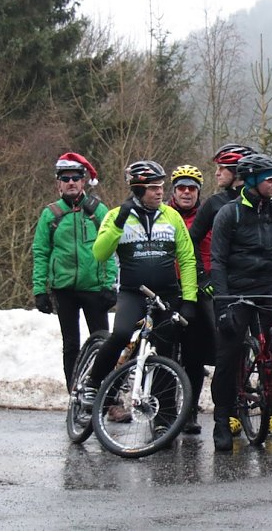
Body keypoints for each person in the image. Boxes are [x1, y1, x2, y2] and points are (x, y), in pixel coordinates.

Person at [82, 161, 198, 432]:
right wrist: (119, 222)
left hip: (167, 295)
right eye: (154, 188)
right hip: (133, 293)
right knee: (121, 334)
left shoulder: (171, 216)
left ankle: (164, 419)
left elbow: (188, 259)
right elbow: (99, 254)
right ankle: (94, 383)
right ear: (138, 188)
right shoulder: (115, 216)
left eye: (161, 187)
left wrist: (190, 300)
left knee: (166, 353)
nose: (160, 192)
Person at [209, 154, 272, 451]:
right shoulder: (230, 213)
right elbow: (217, 261)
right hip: (237, 289)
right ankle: (221, 418)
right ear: (252, 180)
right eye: (269, 177)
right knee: (228, 354)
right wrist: (224, 303)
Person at [32, 153, 117, 390]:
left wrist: (111, 285)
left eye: (76, 177)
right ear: (58, 183)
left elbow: (112, 249)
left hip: (95, 289)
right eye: (65, 178)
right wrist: (40, 290)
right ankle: (74, 396)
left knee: (103, 344)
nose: (71, 182)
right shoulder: (50, 214)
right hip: (64, 290)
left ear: (84, 181)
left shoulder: (98, 211)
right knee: (71, 345)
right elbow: (40, 252)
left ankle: (107, 398)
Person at [189, 143, 255, 439]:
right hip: (218, 285)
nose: (216, 174)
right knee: (226, 348)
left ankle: (255, 403)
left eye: (221, 169)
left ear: (238, 172)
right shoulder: (214, 204)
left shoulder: (257, 201)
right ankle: (224, 414)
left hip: (250, 283)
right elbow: (190, 241)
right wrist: (203, 277)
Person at [168, 164, 214, 435]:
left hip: (198, 290)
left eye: (192, 188)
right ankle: (166, 410)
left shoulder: (207, 216)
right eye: (182, 188)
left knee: (194, 355)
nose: (187, 193)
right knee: (165, 352)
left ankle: (190, 411)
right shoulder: (163, 215)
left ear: (199, 192)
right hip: (166, 288)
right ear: (174, 191)